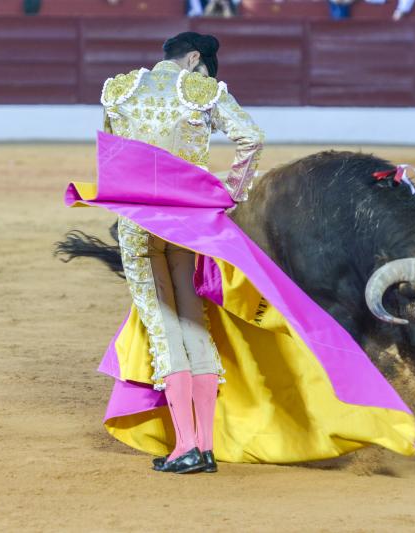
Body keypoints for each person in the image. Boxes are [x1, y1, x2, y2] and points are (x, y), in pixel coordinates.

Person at [100, 31, 264, 474]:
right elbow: (251, 138)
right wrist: (226, 197)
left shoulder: (119, 89)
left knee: (163, 326)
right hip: (189, 223)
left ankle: (185, 446)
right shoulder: (200, 90)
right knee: (192, 319)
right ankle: (204, 447)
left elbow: (111, 159)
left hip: (140, 221)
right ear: (194, 59)